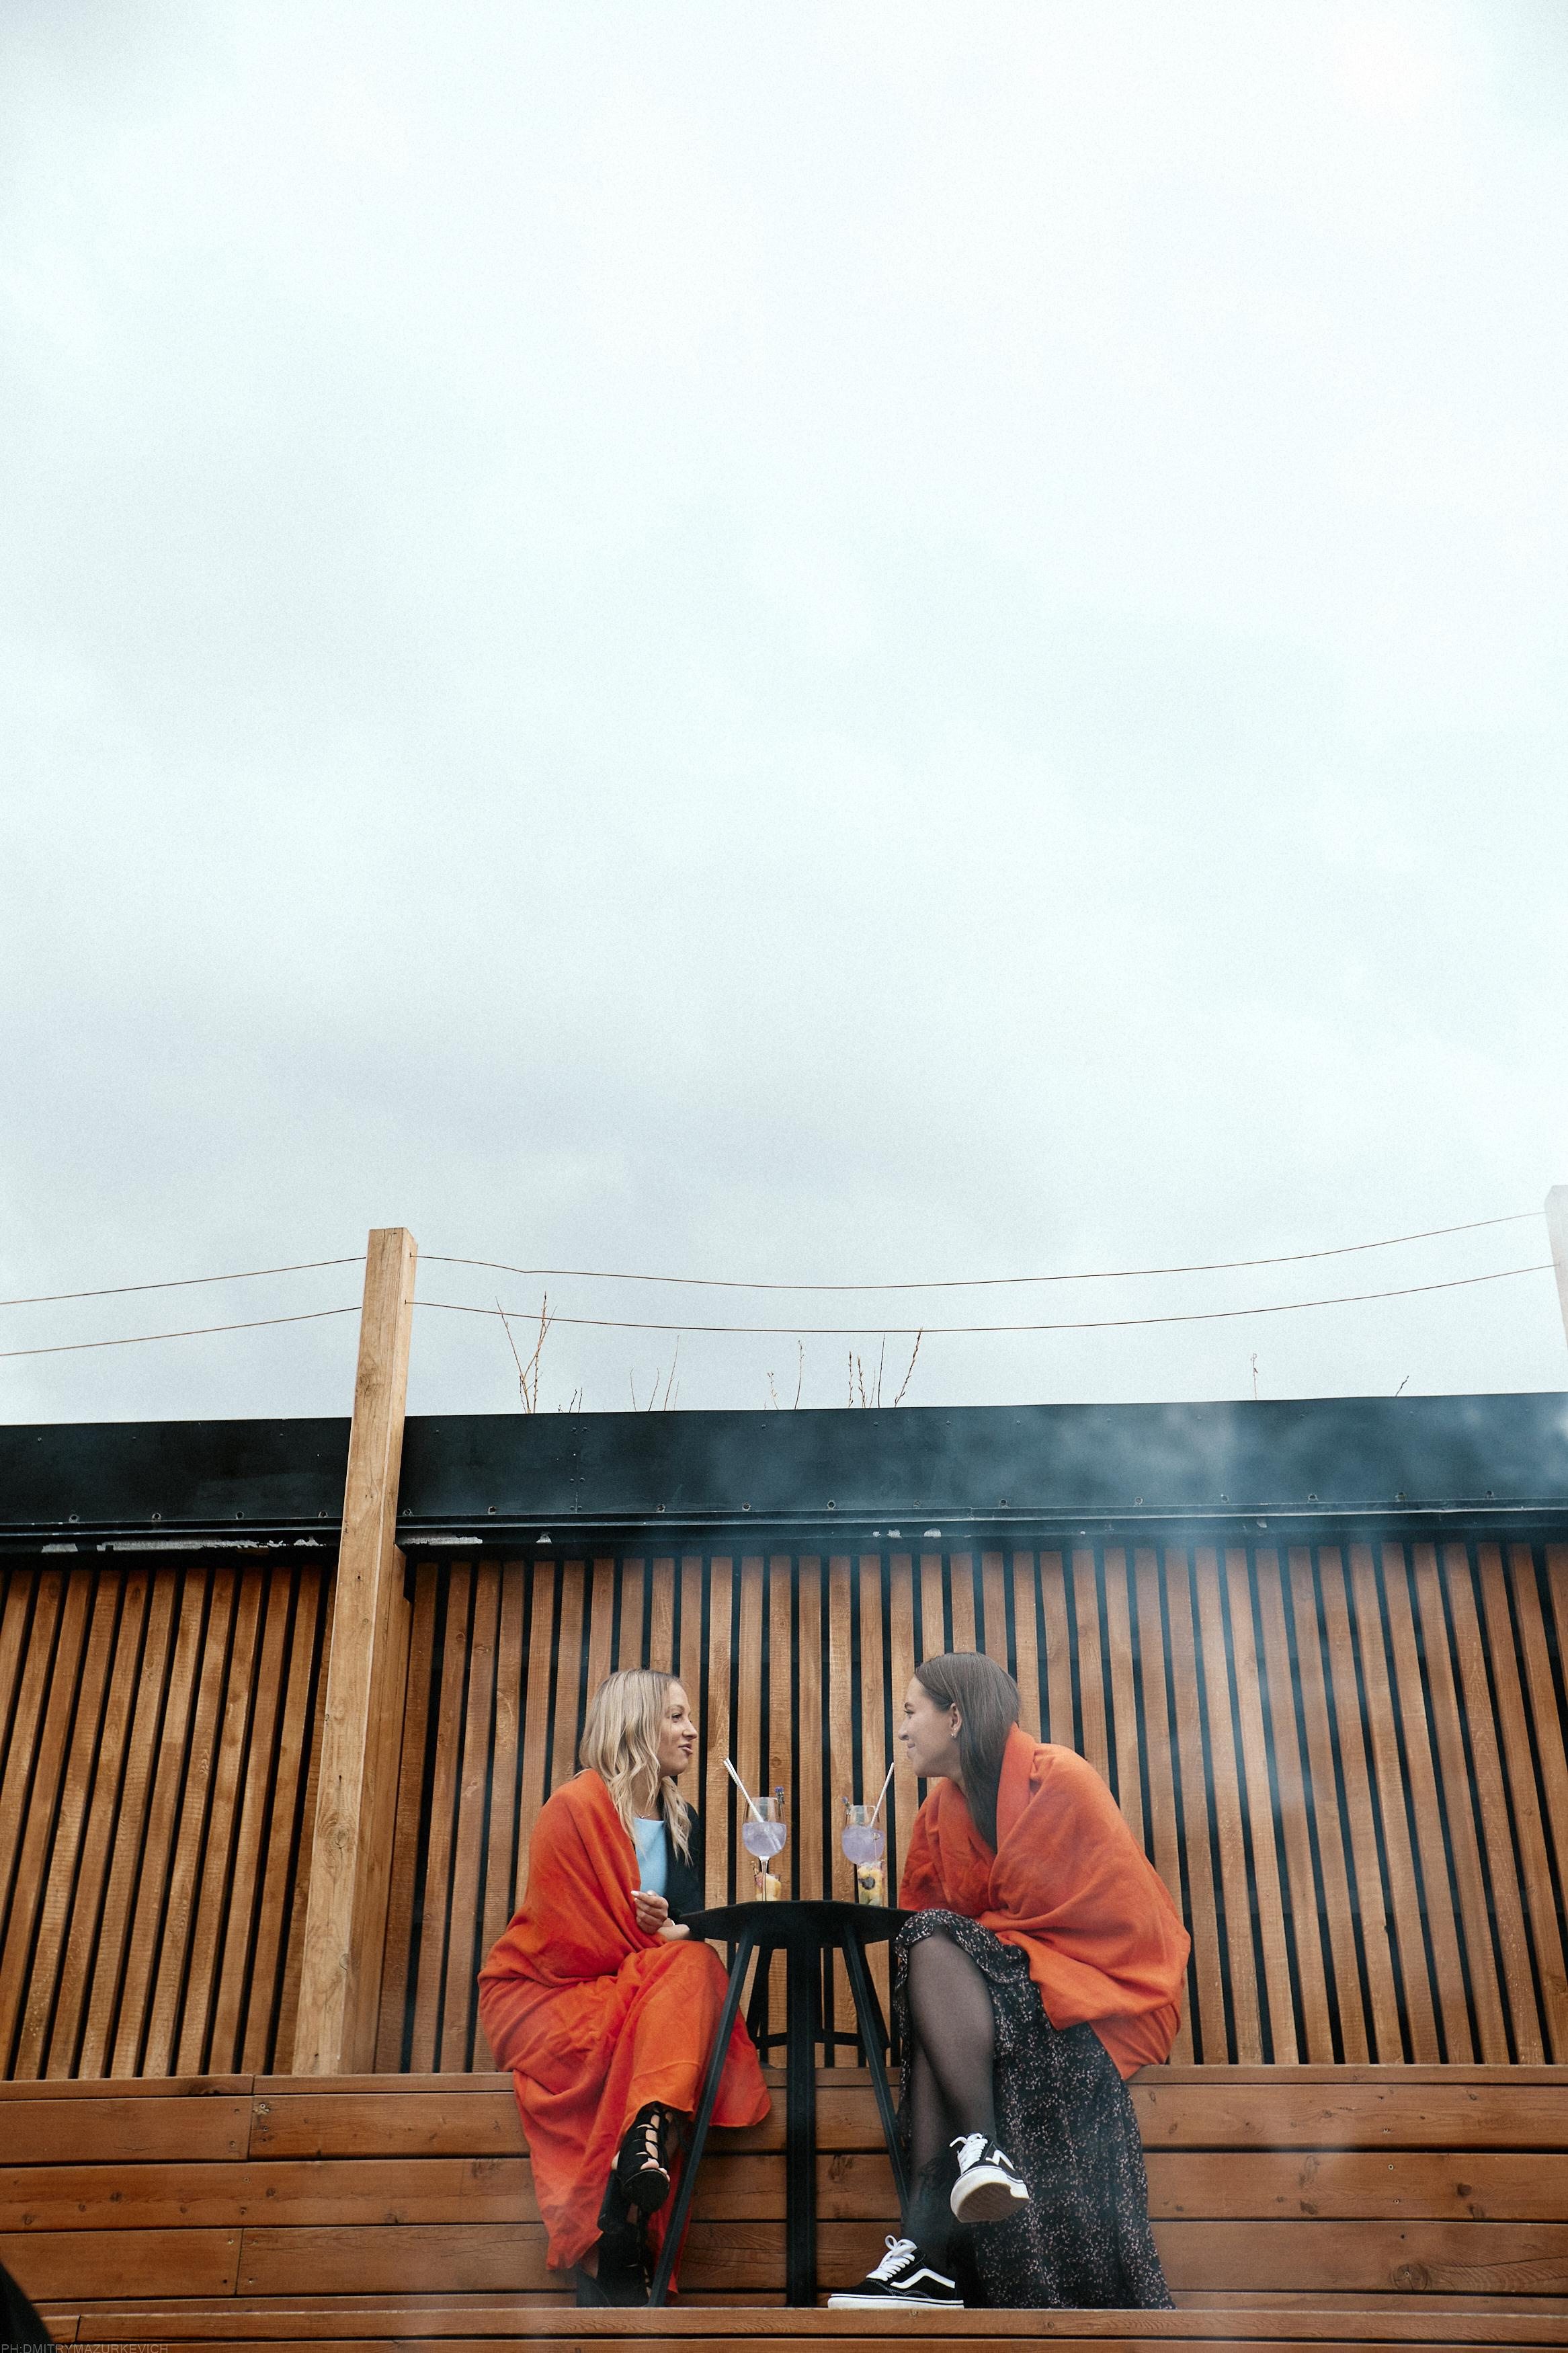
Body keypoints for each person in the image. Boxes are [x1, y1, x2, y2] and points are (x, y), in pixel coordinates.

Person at [829, 1651, 1190, 2312]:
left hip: (1103, 1990)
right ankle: (958, 2195)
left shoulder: (1059, 1779)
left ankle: (935, 2243)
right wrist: (984, 1949)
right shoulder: (938, 1812)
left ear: (955, 1717)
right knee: (929, 1973)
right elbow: (929, 1939)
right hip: (1009, 1995)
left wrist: (991, 1943)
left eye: (910, 1712)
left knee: (935, 1949)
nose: (902, 1729)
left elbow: (1121, 1919)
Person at [478, 1669, 770, 2305]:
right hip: (549, 2000)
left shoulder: (682, 1820)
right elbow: (565, 1941)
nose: (691, 1731)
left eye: (689, 1718)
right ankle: (634, 2167)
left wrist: (667, 1929)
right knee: (690, 1977)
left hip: (636, 1994)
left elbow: (682, 1935)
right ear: (636, 1724)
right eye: (675, 1716)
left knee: (697, 1967)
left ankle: (639, 2151)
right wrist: (656, 1940)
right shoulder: (573, 1807)